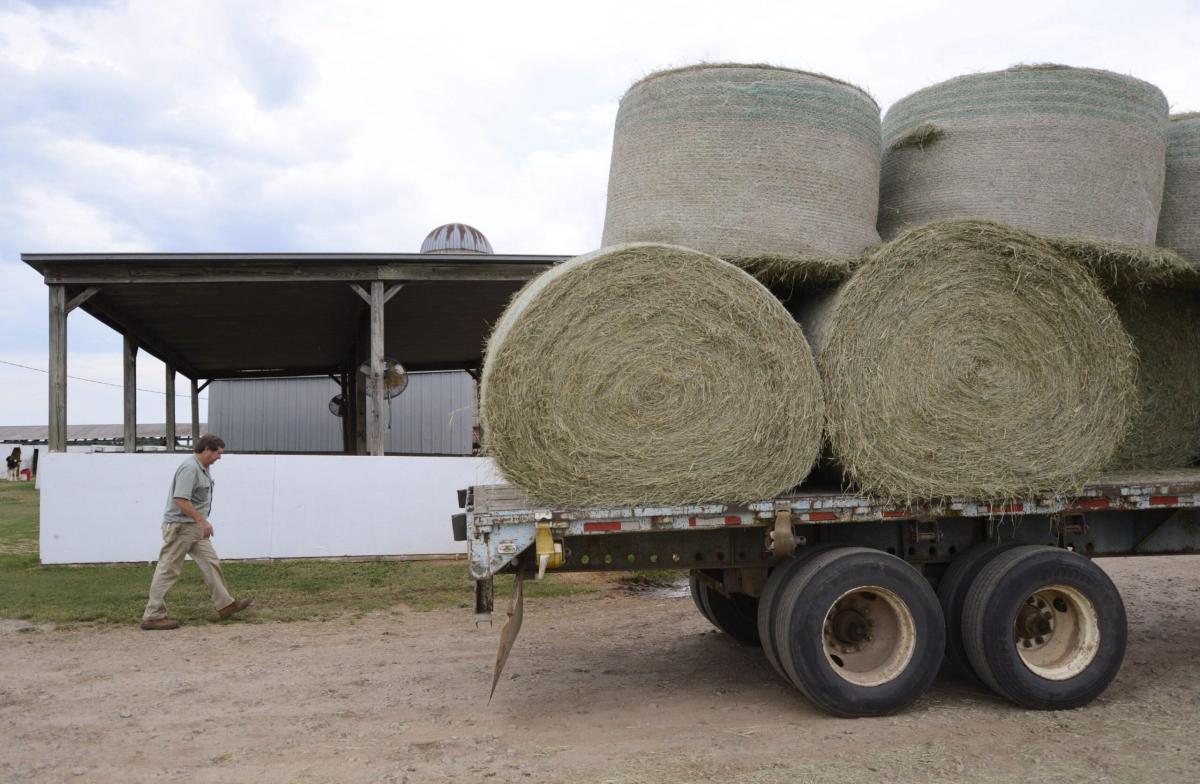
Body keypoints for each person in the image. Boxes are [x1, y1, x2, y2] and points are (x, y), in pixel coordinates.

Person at [140, 434, 253, 630]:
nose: (220, 457)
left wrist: (200, 523)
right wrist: (202, 521)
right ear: (207, 449)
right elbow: (181, 499)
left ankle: (225, 605)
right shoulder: (190, 468)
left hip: (193, 528)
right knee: (168, 569)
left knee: (211, 562)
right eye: (218, 453)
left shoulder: (203, 469)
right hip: (181, 527)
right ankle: (153, 615)